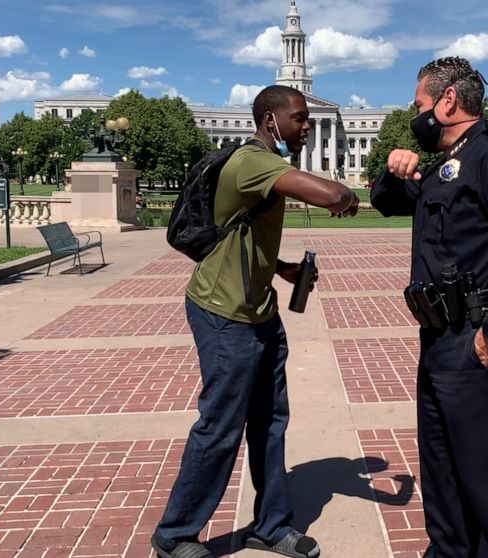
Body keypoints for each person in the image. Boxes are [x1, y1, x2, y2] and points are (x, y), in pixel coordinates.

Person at [152, 85, 360, 558]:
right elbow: (331, 192)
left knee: (270, 422)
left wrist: (282, 268)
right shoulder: (252, 161)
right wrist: (343, 195)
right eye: (300, 118)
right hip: (224, 313)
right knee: (221, 425)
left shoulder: (265, 161)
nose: (306, 126)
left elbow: (245, 233)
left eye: (309, 119)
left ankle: (270, 525)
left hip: (258, 309)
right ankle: (175, 534)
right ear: (271, 121)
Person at [371, 57, 488, 557]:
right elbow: (389, 202)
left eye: (420, 105)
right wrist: (394, 169)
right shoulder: (447, 164)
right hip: (439, 341)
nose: (417, 115)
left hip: (479, 343)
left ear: (448, 100)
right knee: (444, 478)